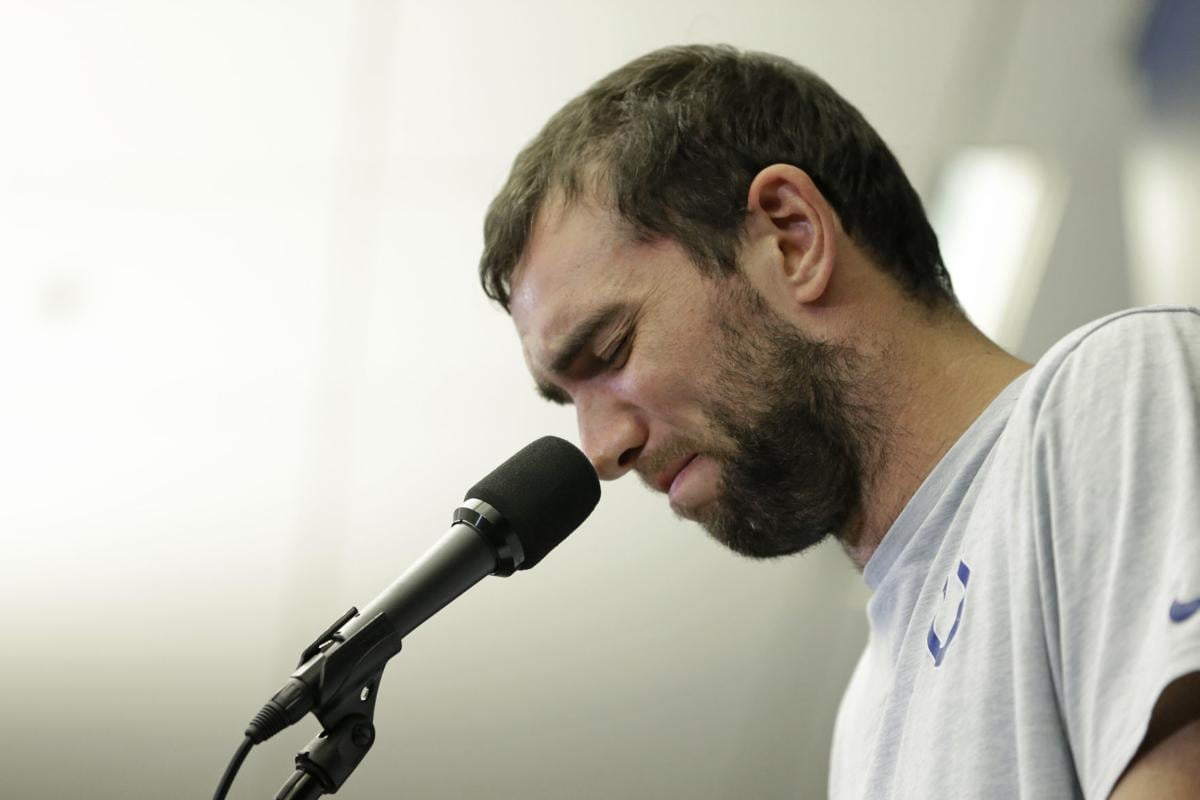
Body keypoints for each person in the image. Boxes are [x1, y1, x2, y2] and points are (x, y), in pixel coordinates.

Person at [476, 44, 1200, 798]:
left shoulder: (1111, 391)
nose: (601, 449)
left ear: (792, 239)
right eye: (568, 399)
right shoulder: (866, 717)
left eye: (612, 348)